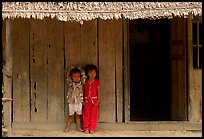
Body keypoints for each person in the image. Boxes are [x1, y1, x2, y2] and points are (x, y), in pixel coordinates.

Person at [64, 66, 86, 132]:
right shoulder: (70, 83)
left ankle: (79, 127)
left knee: (78, 115)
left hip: (79, 102)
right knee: (71, 115)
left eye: (78, 76)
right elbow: (67, 77)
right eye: (74, 76)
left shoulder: (81, 83)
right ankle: (67, 127)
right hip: (71, 102)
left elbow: (84, 76)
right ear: (72, 77)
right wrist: (70, 69)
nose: (77, 78)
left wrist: (80, 69)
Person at [82, 64, 101, 134]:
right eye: (90, 72)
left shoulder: (97, 82)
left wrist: (98, 101)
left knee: (94, 115)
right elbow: (83, 92)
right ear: (87, 73)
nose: (92, 74)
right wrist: (82, 100)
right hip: (86, 101)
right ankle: (86, 128)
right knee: (85, 114)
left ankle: (92, 128)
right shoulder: (84, 82)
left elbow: (98, 92)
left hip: (94, 101)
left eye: (94, 72)